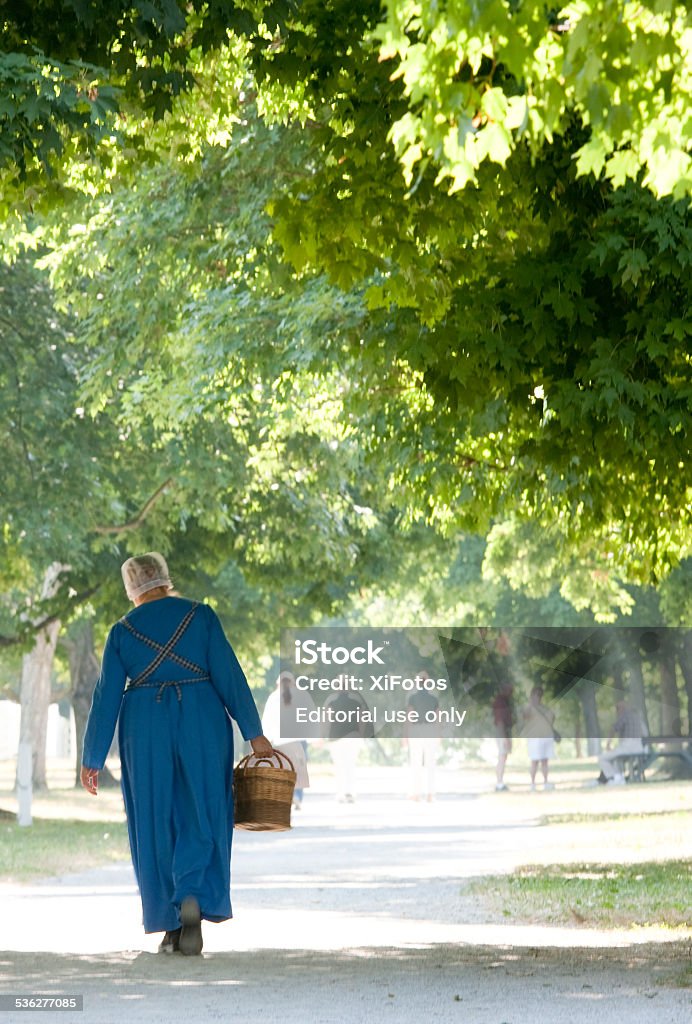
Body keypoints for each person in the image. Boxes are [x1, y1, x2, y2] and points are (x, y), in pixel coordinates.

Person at [80, 552, 274, 955]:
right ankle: (192, 894)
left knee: (154, 818)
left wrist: (93, 757)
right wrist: (254, 734)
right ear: (165, 579)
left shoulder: (121, 631)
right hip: (202, 719)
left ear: (132, 588)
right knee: (202, 810)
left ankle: (170, 923)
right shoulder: (200, 617)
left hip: (144, 726)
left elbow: (106, 696)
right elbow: (229, 674)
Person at [261, 672, 313, 809]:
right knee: (299, 770)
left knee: (284, 770)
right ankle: (297, 796)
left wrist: (266, 738)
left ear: (278, 684)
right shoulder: (303, 696)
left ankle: (286, 797)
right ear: (293, 682)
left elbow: (267, 721)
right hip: (299, 740)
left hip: (279, 741)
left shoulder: (273, 697)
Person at [406, 671, 441, 802]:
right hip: (430, 730)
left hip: (416, 730)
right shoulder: (434, 699)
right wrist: (438, 735)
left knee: (416, 763)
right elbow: (438, 718)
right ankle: (431, 794)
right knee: (430, 763)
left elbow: (409, 717)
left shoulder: (412, 698)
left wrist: (405, 735)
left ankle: (416, 793)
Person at [598, 699, 647, 785]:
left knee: (603, 758)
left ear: (621, 708)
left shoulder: (624, 715)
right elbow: (644, 733)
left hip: (627, 747)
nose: (616, 711)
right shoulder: (637, 717)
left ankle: (615, 778)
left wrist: (608, 744)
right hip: (639, 748)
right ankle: (618, 779)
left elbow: (613, 729)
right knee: (616, 759)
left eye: (617, 709)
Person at [522, 686, 556, 791]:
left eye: (539, 694)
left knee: (545, 761)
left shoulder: (545, 708)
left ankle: (545, 782)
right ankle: (532, 784)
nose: (538, 696)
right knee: (535, 761)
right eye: (536, 694)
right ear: (532, 695)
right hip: (535, 738)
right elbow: (524, 716)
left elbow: (552, 718)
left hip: (546, 737)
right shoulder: (529, 708)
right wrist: (531, 704)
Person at [492, 680, 514, 791]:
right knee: (501, 757)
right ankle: (499, 783)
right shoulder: (500, 702)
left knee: (503, 757)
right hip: (502, 731)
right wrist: (504, 737)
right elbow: (500, 721)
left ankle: (500, 782)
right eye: (510, 690)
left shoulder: (504, 701)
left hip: (504, 731)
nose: (512, 693)